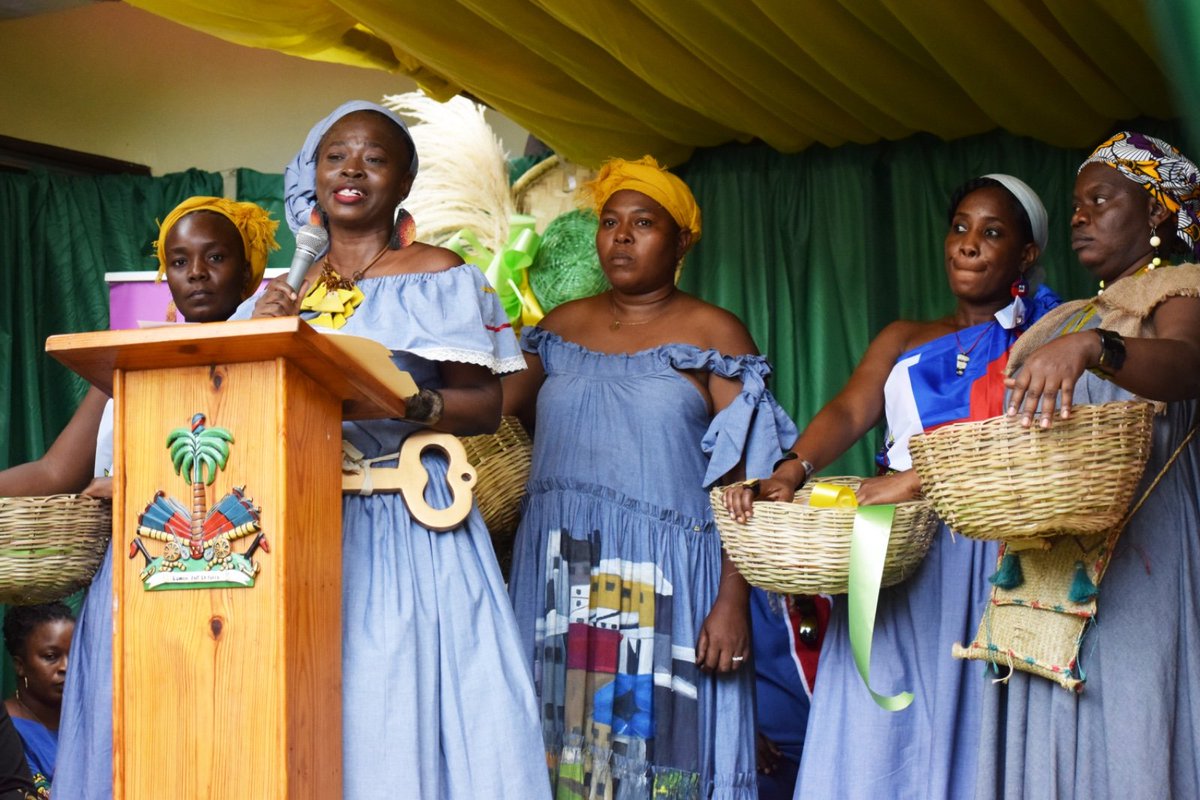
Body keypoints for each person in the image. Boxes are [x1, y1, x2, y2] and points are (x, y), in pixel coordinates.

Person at [242, 100, 549, 799]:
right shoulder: (288, 289)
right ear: (312, 176)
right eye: (335, 155)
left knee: (398, 691)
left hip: (408, 514)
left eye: (374, 158)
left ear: (404, 183)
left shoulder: (438, 273)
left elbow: (486, 404)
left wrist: (408, 402)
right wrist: (262, 334)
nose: (351, 168)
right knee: (316, 697)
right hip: (304, 523)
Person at [724, 174, 1060, 799]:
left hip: (993, 552)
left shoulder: (1043, 339)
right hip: (895, 545)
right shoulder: (904, 337)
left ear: (1027, 253)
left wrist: (917, 479)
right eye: (959, 228)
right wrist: (792, 469)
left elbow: (1029, 444)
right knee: (881, 714)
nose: (968, 243)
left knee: (977, 711)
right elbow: (852, 411)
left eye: (992, 232)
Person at [502, 156, 797, 799]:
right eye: (610, 222)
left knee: (658, 757)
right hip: (560, 574)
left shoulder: (713, 334)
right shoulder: (555, 331)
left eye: (644, 222)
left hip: (666, 585)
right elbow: (493, 412)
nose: (622, 236)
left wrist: (732, 601)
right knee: (560, 753)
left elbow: (751, 484)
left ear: (682, 240)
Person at [975, 133, 1200, 798]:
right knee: (1055, 724)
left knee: (1127, 721)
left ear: (1157, 212)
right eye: (1075, 206)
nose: (1079, 217)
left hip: (1141, 555)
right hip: (1049, 564)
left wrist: (1096, 347)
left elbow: (1188, 366)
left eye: (1099, 201)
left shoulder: (1180, 292)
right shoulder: (1065, 321)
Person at [41, 196, 279, 800]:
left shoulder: (273, 358)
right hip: (128, 589)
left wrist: (137, 486)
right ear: (163, 274)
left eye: (215, 257)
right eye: (178, 260)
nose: (195, 273)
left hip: (232, 592)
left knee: (210, 751)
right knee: (129, 751)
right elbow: (53, 472)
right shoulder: (127, 363)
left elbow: (266, 480)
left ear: (249, 272)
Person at [3, 603, 75, 798]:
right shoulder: (7, 728)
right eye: (51, 656)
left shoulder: (90, 720)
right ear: (20, 665)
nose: (66, 667)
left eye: (74, 655)